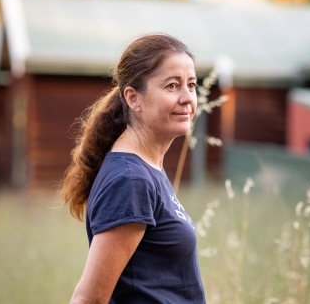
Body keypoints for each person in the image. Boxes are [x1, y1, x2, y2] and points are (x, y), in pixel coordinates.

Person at [59, 34, 206, 304]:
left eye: (192, 85)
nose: (187, 97)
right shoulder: (130, 179)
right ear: (133, 98)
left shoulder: (146, 168)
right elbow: (89, 299)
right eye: (173, 86)